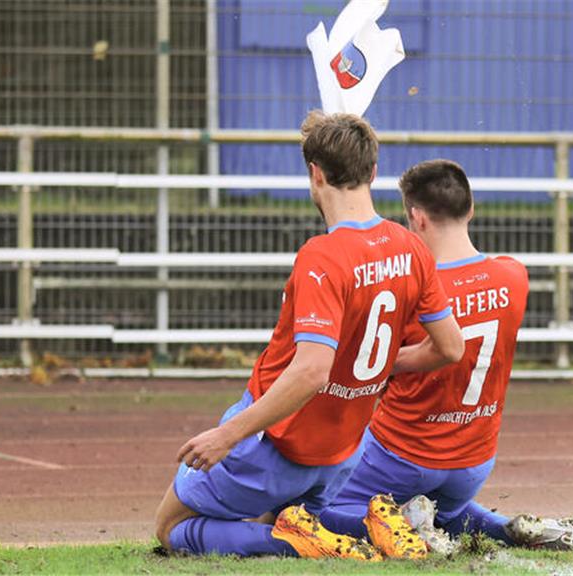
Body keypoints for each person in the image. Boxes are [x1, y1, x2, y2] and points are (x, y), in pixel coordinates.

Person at [153, 112, 464, 560]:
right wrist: (375, 369)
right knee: (279, 517)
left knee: (171, 526)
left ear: (315, 174)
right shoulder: (410, 246)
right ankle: (374, 525)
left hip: (276, 443)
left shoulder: (322, 256)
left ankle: (294, 546)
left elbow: (312, 371)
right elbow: (450, 347)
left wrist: (227, 436)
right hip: (341, 455)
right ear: (373, 173)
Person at [318, 159, 573, 553]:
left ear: (416, 218)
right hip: (474, 462)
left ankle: (405, 528)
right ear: (470, 209)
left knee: (311, 507)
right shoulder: (513, 276)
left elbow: (369, 369)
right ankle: (510, 528)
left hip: (401, 455)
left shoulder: (410, 291)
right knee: (449, 513)